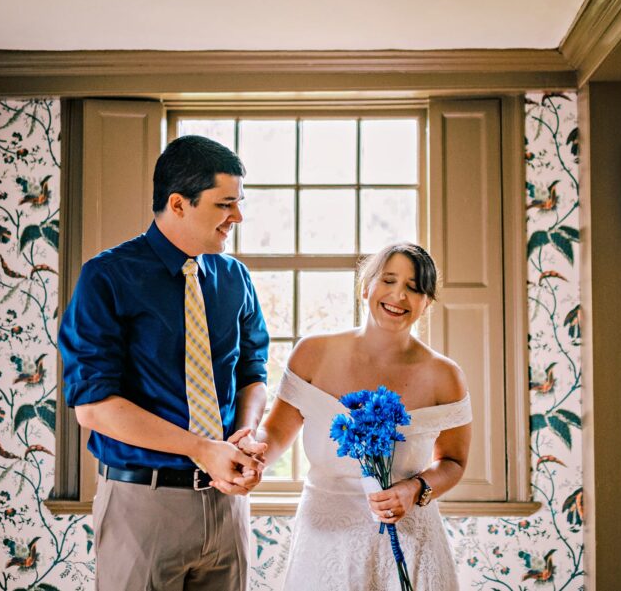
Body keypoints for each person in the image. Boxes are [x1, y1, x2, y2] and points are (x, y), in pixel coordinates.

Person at [59, 135, 270, 591]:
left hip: (226, 504)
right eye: (225, 204)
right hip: (142, 503)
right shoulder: (107, 276)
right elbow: (93, 407)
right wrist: (202, 449)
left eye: (239, 203)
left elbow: (253, 373)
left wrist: (245, 434)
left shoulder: (235, 278)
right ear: (178, 203)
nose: (237, 217)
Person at [250, 243, 472, 590]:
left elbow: (454, 461)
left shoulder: (445, 376)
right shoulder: (312, 353)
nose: (398, 295)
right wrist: (249, 455)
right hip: (324, 536)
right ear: (365, 286)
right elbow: (275, 433)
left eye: (414, 288)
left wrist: (415, 490)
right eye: (388, 280)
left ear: (427, 303)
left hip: (409, 538)